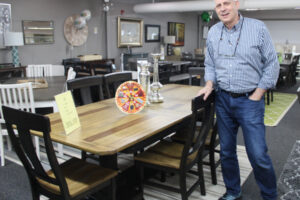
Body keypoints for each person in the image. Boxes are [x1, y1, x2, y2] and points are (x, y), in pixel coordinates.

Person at [197, 0, 279, 200]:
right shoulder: (214, 32)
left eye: (226, 3)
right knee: (226, 152)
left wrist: (258, 94)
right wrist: (209, 84)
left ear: (236, 3)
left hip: (249, 101)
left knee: (258, 155)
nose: (222, 8)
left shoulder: (257, 28)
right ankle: (233, 191)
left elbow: (272, 64)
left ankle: (270, 196)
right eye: (218, 5)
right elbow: (210, 64)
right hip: (223, 100)